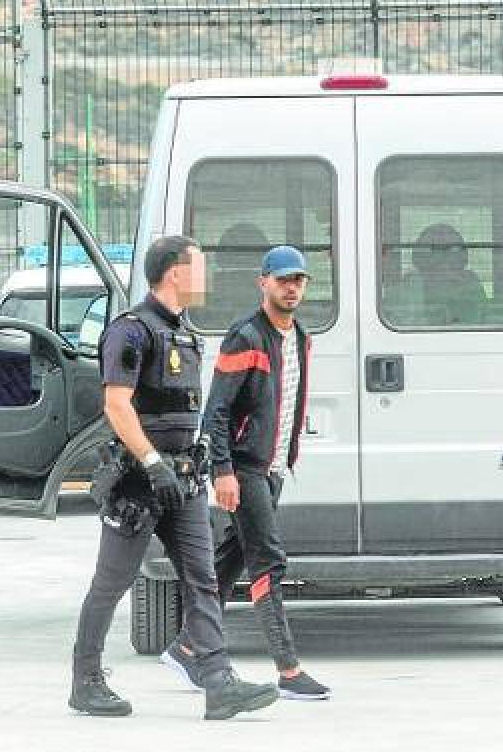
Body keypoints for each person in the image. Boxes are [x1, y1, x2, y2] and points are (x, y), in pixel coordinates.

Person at [68, 236, 278, 720]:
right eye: (199, 267)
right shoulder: (131, 330)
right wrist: (150, 462)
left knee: (203, 580)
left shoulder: (183, 333)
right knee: (112, 582)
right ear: (175, 273)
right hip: (140, 482)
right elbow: (116, 405)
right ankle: (86, 679)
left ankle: (218, 682)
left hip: (183, 480)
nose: (204, 276)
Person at [202, 245, 330, 700]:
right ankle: (288, 669)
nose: (291, 287)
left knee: (229, 561)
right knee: (268, 562)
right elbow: (215, 411)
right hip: (245, 468)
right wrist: (223, 471)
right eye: (282, 280)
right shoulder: (246, 337)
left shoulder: (299, 337)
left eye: (298, 280)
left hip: (273, 468)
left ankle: (189, 647)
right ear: (264, 284)